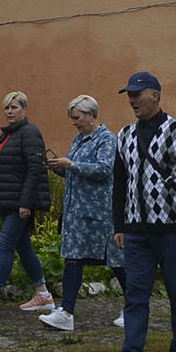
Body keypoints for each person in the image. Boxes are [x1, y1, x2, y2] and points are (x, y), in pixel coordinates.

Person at [108, 71, 176, 352]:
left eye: (138, 93)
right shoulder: (124, 135)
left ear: (156, 95)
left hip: (173, 230)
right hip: (136, 232)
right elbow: (119, 184)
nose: (132, 99)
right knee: (135, 296)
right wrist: (119, 225)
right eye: (129, 95)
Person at [39, 94, 126, 332]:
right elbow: (74, 171)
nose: (74, 123)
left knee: (116, 261)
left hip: (99, 214)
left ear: (91, 115)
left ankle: (135, 307)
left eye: (77, 118)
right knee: (73, 259)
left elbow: (105, 170)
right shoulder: (79, 140)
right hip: (77, 215)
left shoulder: (107, 139)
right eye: (72, 119)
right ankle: (66, 312)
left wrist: (71, 165)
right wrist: (57, 167)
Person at [0, 91, 55, 315]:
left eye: (14, 107)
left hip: (20, 203)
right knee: (23, 247)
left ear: (24, 109)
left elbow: (35, 169)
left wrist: (25, 203)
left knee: (6, 244)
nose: (9, 111)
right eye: (7, 108)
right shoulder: (7, 135)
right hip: (8, 202)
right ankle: (44, 295)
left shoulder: (30, 133)